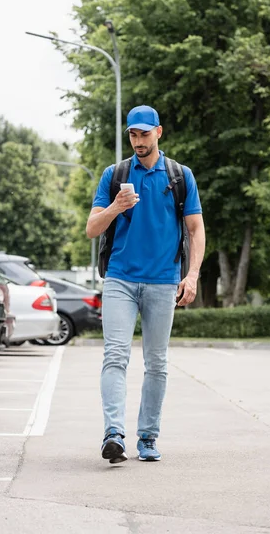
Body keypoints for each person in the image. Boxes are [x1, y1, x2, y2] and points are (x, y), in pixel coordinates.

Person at [86, 105, 205, 463]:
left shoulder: (180, 175)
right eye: (133, 135)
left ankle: (148, 436)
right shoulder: (114, 175)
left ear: (159, 132)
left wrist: (193, 274)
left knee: (156, 362)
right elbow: (92, 228)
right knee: (115, 356)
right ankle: (114, 434)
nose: (138, 141)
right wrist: (115, 208)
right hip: (121, 279)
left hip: (164, 282)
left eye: (144, 134)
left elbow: (196, 229)